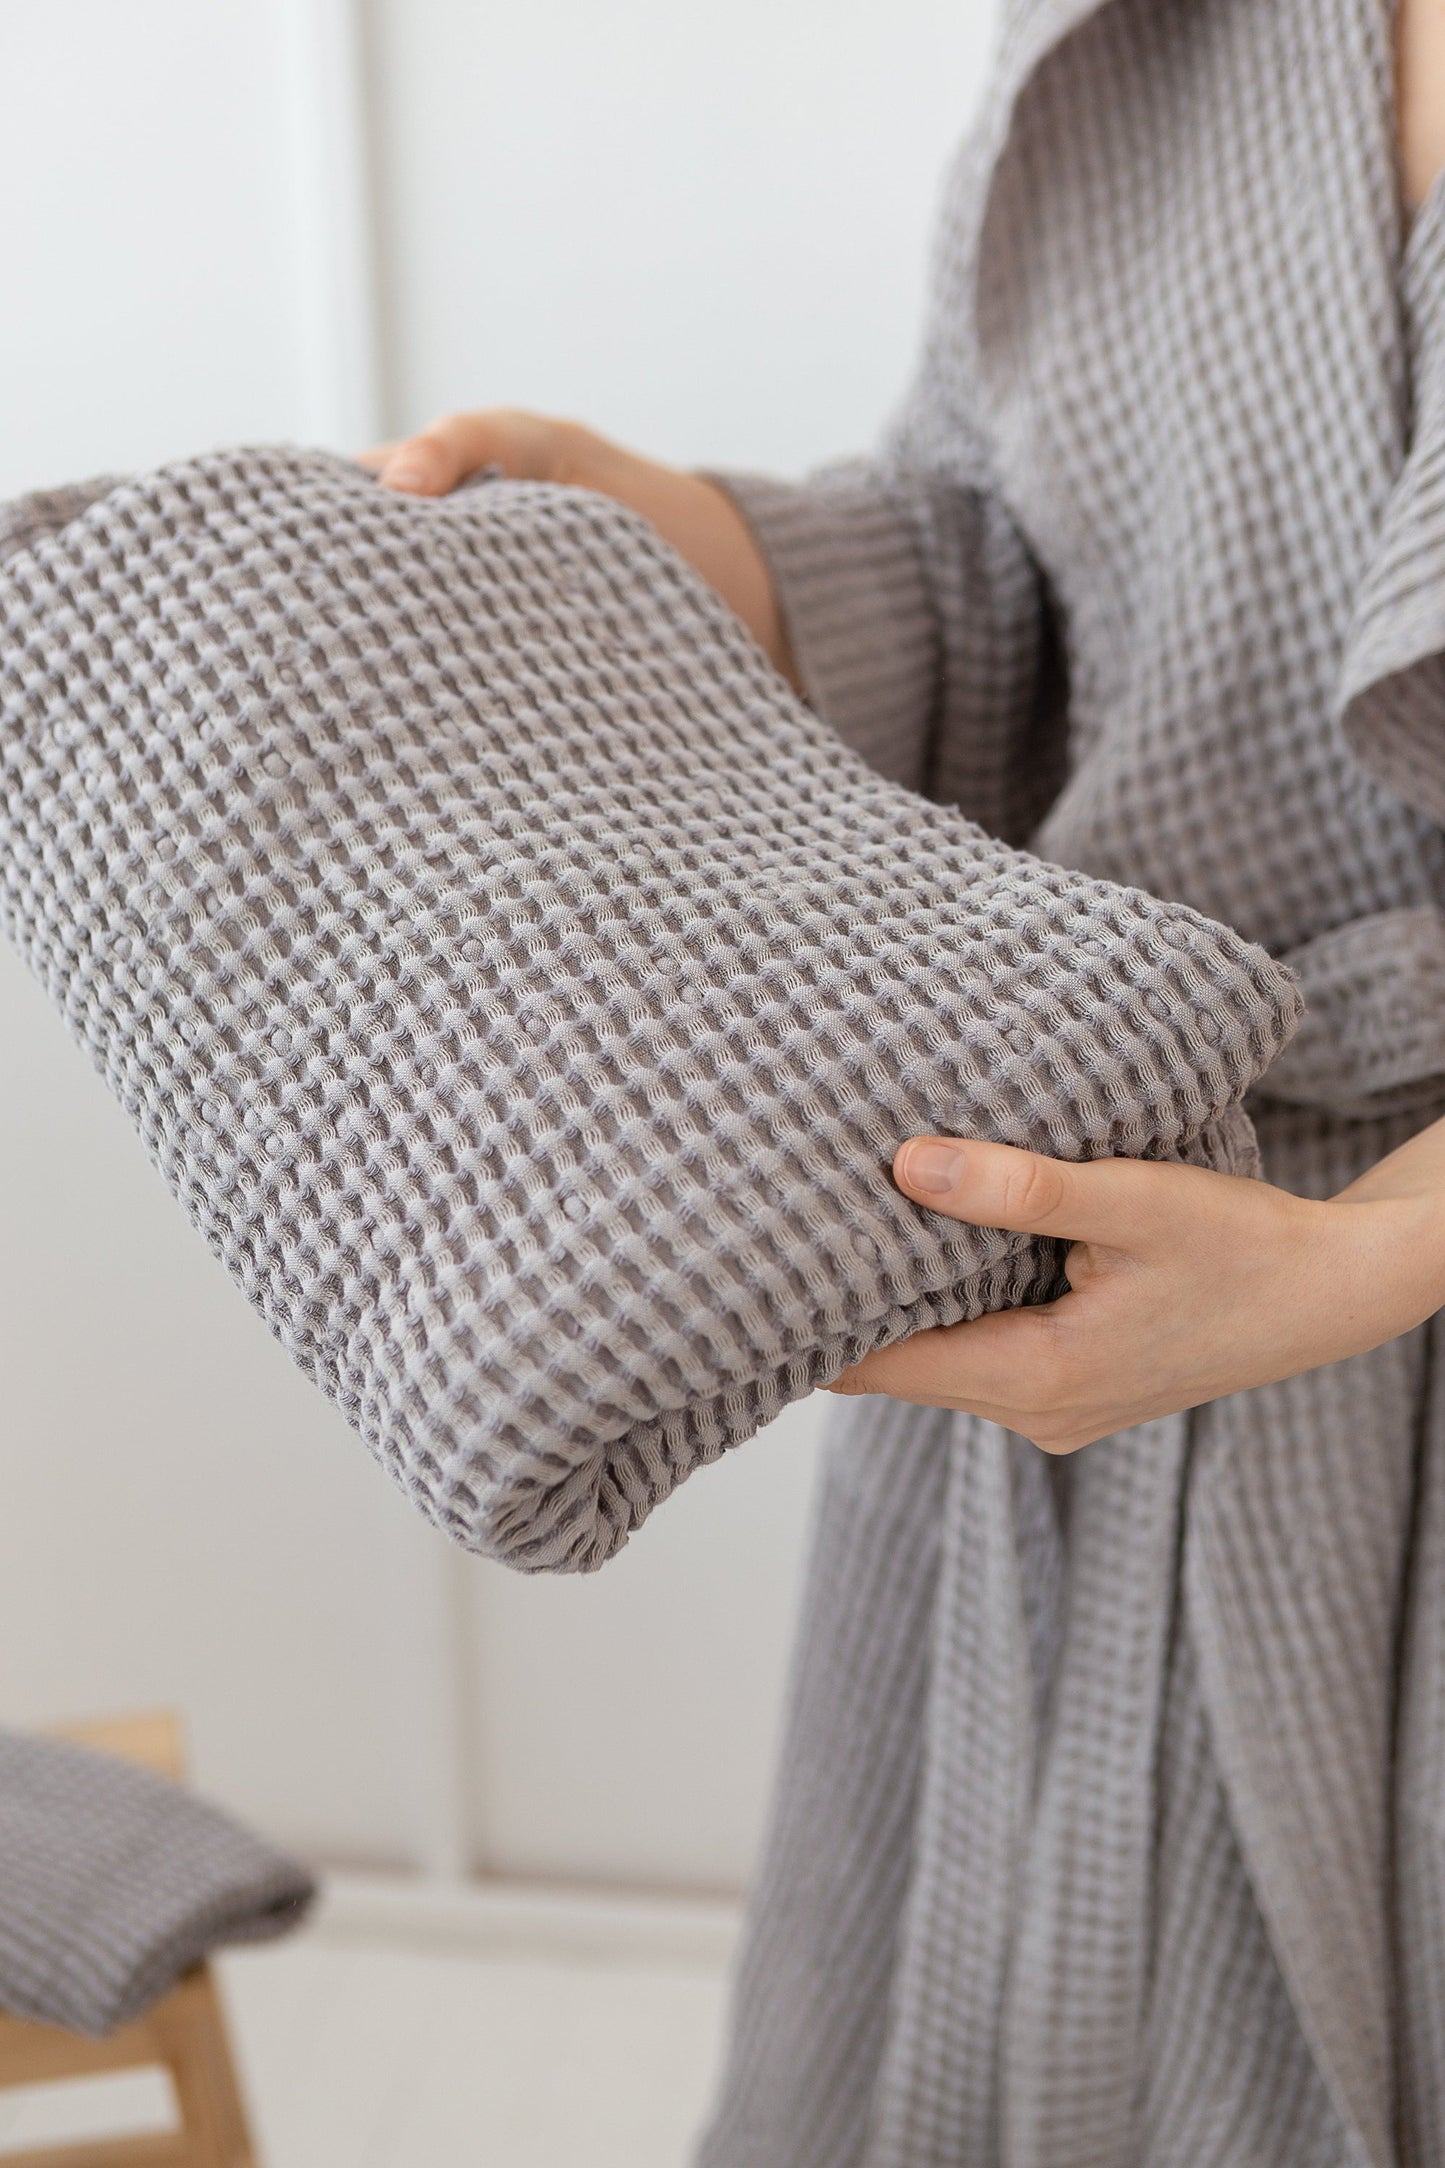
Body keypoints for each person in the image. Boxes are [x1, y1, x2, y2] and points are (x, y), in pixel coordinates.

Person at [364, 0, 1445, 2158]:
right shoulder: (1143, 34)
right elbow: (994, 556)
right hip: (1102, 1295)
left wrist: (1366, 1256)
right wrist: (690, 549)